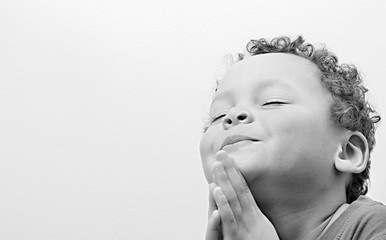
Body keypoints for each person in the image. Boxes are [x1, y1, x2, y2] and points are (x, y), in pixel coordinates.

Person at [199, 36, 386, 240]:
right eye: (218, 115)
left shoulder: (372, 225)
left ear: (348, 152)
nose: (232, 115)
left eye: (272, 101)